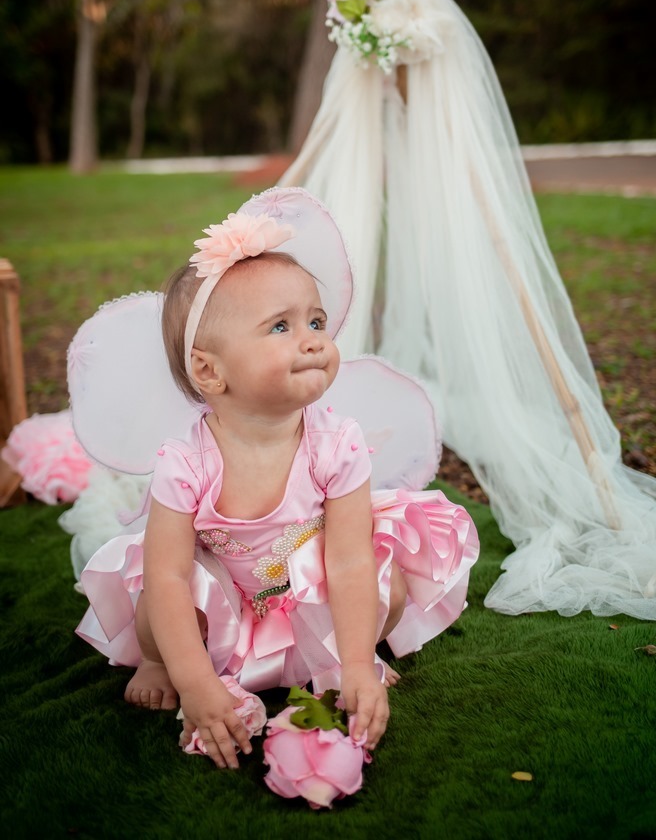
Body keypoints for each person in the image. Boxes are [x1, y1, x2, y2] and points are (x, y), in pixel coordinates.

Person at [75, 188, 479, 771]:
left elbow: (347, 561)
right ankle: (170, 663)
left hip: (308, 599)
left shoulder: (336, 442)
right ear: (210, 371)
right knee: (155, 609)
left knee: (386, 585)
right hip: (227, 603)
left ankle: (340, 659)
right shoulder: (186, 463)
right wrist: (192, 683)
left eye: (315, 320)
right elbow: (166, 575)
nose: (314, 338)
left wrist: (360, 661)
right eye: (281, 327)